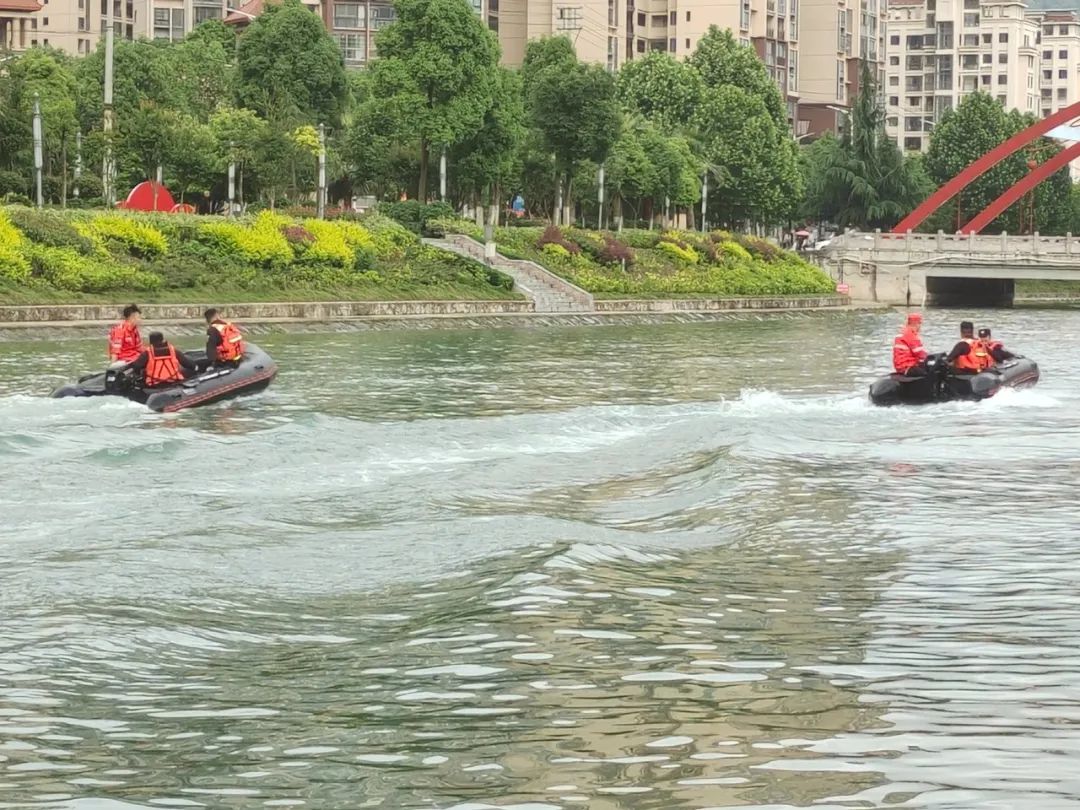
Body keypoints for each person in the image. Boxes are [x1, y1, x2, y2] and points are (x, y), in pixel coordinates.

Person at [129, 332, 197, 387]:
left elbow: (136, 366)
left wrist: (138, 373)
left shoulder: (147, 353)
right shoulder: (173, 350)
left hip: (154, 383)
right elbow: (186, 363)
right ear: (162, 339)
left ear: (150, 342)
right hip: (174, 381)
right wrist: (195, 367)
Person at [893, 312, 929, 376]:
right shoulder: (911, 334)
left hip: (900, 367)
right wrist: (930, 357)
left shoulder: (902, 332)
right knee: (929, 373)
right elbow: (919, 353)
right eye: (920, 323)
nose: (920, 326)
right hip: (908, 366)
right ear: (916, 323)